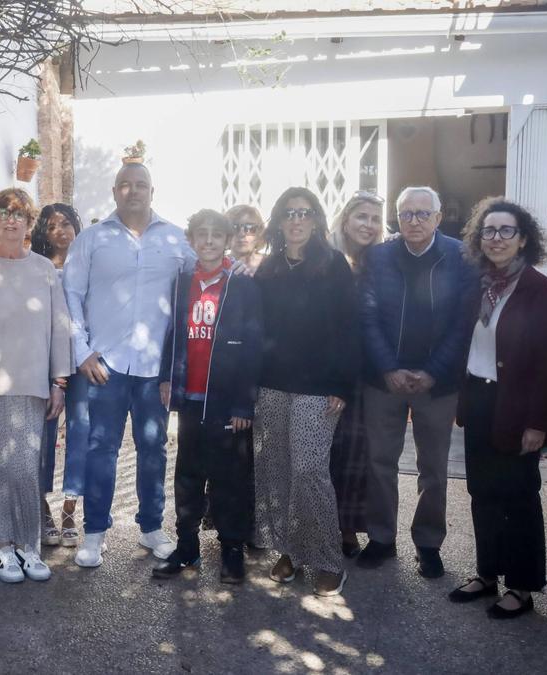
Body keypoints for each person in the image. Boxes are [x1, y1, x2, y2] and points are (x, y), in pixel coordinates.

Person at [63, 163, 195, 568]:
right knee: (101, 448)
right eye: (126, 185)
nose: (133, 191)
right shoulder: (92, 239)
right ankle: (95, 532)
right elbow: (70, 293)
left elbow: (205, 277)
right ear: (114, 190)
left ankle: (152, 527)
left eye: (141, 185)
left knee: (153, 447)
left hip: (155, 368)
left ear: (152, 190)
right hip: (105, 365)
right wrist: (81, 350)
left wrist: (243, 267)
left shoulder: (176, 240)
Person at [357, 186, 479, 580]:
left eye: (423, 214)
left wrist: (433, 371)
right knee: (379, 461)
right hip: (383, 378)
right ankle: (380, 537)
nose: (414, 221)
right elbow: (368, 318)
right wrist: (389, 367)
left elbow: (463, 325)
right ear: (397, 217)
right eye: (406, 213)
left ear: (439, 218)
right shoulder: (377, 257)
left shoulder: (461, 257)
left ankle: (428, 543)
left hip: (436, 382)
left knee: (433, 467)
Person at [448, 198, 547, 619]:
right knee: (483, 493)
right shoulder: (478, 284)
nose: (496, 238)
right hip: (478, 399)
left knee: (518, 497)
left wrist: (537, 422)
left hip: (517, 404)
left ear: (524, 238)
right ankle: (487, 574)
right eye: (488, 231)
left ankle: (522, 586)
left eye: (505, 230)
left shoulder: (537, 289)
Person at [0, 188, 74, 583]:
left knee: (25, 471)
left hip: (33, 385)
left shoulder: (44, 269)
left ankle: (30, 546)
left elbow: (60, 328)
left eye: (19, 214)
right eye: (4, 212)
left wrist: (59, 382)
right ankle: (3, 548)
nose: (11, 219)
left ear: (28, 222)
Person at [252, 187, 358, 596]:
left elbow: (349, 329)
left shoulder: (333, 266)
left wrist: (341, 384)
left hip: (318, 388)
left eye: (305, 212)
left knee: (309, 470)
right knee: (275, 469)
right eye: (289, 213)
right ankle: (290, 552)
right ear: (279, 222)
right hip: (273, 384)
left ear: (316, 220)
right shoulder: (269, 268)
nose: (296, 220)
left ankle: (329, 560)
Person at [154, 209, 262, 583]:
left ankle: (232, 551)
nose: (210, 241)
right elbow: (173, 334)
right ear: (191, 239)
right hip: (191, 397)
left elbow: (252, 346)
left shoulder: (242, 283)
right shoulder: (182, 281)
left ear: (228, 240)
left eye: (218, 234)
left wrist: (244, 402)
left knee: (229, 477)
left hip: (226, 400)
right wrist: (169, 379)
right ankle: (187, 548)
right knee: (187, 475)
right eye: (202, 234)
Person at [326, 191, 386, 557]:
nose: (368, 225)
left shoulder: (380, 263)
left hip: (367, 371)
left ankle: (349, 528)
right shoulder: (328, 259)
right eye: (361, 217)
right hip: (328, 368)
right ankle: (317, 523)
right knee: (322, 452)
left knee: (356, 453)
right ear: (345, 220)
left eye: (375, 219)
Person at [30, 203, 88, 547]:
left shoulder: (87, 265)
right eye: (52, 226)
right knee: (44, 435)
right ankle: (42, 508)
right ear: (43, 233)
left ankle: (69, 511)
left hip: (81, 360)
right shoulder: (37, 268)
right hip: (47, 360)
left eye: (66, 223)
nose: (60, 231)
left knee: (80, 433)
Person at [225, 204, 266, 275]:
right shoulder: (216, 264)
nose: (242, 234)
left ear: (260, 233)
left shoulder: (272, 265)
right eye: (234, 227)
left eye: (250, 228)